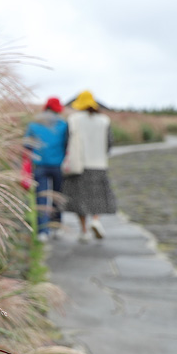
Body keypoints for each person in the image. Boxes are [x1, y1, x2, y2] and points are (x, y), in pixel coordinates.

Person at [62, 90, 117, 242]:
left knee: (81, 199)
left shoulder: (73, 119)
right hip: (99, 164)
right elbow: (109, 143)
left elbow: (67, 142)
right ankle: (96, 221)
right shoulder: (104, 120)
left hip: (80, 165)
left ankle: (84, 231)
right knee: (97, 197)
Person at [24, 97, 69, 242]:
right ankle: (56, 226)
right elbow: (68, 144)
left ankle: (43, 231)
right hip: (58, 165)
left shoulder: (34, 124)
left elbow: (26, 146)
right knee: (58, 196)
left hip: (39, 165)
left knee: (41, 197)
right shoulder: (62, 124)